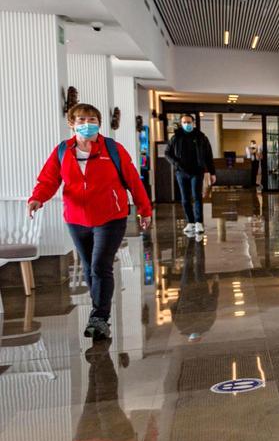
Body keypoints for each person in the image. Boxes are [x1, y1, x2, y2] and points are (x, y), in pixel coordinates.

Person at [27, 103, 152, 340]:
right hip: (76, 218)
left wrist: (145, 210)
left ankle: (99, 316)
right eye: (81, 119)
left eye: (92, 119)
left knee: (100, 265)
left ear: (99, 122)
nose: (87, 124)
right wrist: (37, 198)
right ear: (71, 123)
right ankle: (99, 310)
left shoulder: (113, 149)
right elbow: (48, 180)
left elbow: (133, 180)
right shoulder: (63, 151)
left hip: (110, 217)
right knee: (87, 265)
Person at [165, 114, 215, 235]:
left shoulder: (201, 137)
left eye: (189, 122)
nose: (187, 124)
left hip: (197, 171)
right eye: (184, 122)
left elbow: (209, 155)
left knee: (197, 196)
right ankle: (190, 222)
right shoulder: (176, 137)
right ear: (181, 124)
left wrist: (212, 172)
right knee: (185, 198)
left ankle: (198, 222)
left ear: (193, 123)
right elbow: (167, 153)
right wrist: (176, 163)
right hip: (181, 172)